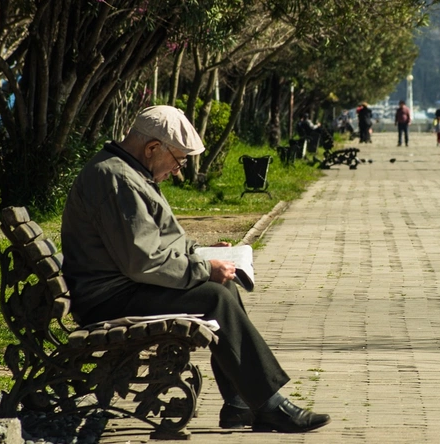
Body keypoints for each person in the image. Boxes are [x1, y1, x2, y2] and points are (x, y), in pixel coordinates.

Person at [61, 106, 331, 434]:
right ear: (152, 148)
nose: (178, 171)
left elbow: (155, 243)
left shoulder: (128, 172)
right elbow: (143, 261)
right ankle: (269, 405)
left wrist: (201, 253)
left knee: (223, 289)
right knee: (215, 297)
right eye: (178, 161)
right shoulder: (117, 179)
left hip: (123, 288)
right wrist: (204, 268)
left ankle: (240, 403)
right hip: (108, 299)